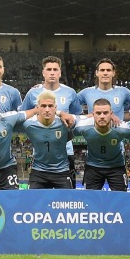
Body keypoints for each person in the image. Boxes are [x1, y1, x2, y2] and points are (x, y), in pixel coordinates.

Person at [20, 56, 82, 186]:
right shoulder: (33, 93)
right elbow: (23, 116)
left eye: (55, 69)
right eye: (49, 69)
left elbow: (76, 118)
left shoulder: (70, 92)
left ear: (60, 72)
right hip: (41, 155)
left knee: (67, 199)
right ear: (43, 72)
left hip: (66, 153)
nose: (52, 72)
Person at [73, 98, 130, 191]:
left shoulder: (122, 128)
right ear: (93, 114)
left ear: (111, 114)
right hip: (93, 166)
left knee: (121, 201)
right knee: (90, 201)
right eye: (98, 113)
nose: (102, 116)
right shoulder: (82, 127)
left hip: (116, 166)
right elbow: (70, 130)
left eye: (105, 113)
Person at [15, 91, 73, 189]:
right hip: (38, 172)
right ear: (37, 108)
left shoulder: (65, 123)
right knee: (32, 202)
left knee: (67, 203)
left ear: (56, 108)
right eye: (43, 106)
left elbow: (85, 120)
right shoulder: (29, 124)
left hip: (61, 171)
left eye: (50, 106)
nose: (47, 109)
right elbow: (7, 122)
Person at [77, 58, 130, 123]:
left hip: (117, 132)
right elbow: (70, 107)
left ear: (113, 73)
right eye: (102, 70)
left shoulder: (123, 92)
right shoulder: (86, 93)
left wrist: (129, 115)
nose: (105, 73)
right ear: (97, 73)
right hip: (94, 131)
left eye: (108, 70)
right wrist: (90, 116)